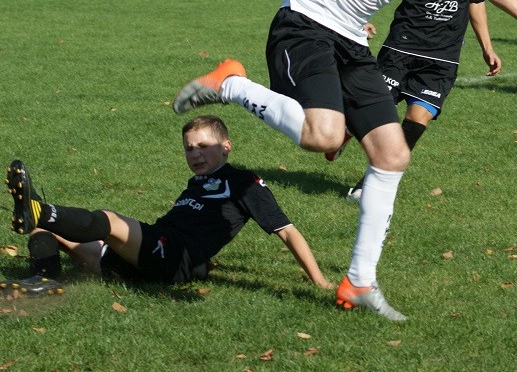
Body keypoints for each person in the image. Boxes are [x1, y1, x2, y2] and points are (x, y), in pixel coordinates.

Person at [172, 0, 517, 321]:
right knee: (323, 136)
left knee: (392, 155)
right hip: (306, 23)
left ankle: (358, 282)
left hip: (351, 41)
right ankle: (231, 83)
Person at [4, 115, 333, 290]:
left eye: (203, 146)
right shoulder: (196, 182)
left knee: (109, 219)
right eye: (189, 148)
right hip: (145, 260)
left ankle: (39, 210)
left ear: (226, 146)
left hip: (172, 256)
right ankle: (44, 279)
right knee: (47, 231)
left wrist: (318, 281)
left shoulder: (245, 183)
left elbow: (287, 231)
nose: (195, 154)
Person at [335, 0, 500, 203]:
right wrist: (360, 18)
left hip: (443, 56)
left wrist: (487, 47)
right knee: (372, 111)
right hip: (402, 46)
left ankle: (368, 185)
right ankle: (345, 131)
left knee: (417, 120)